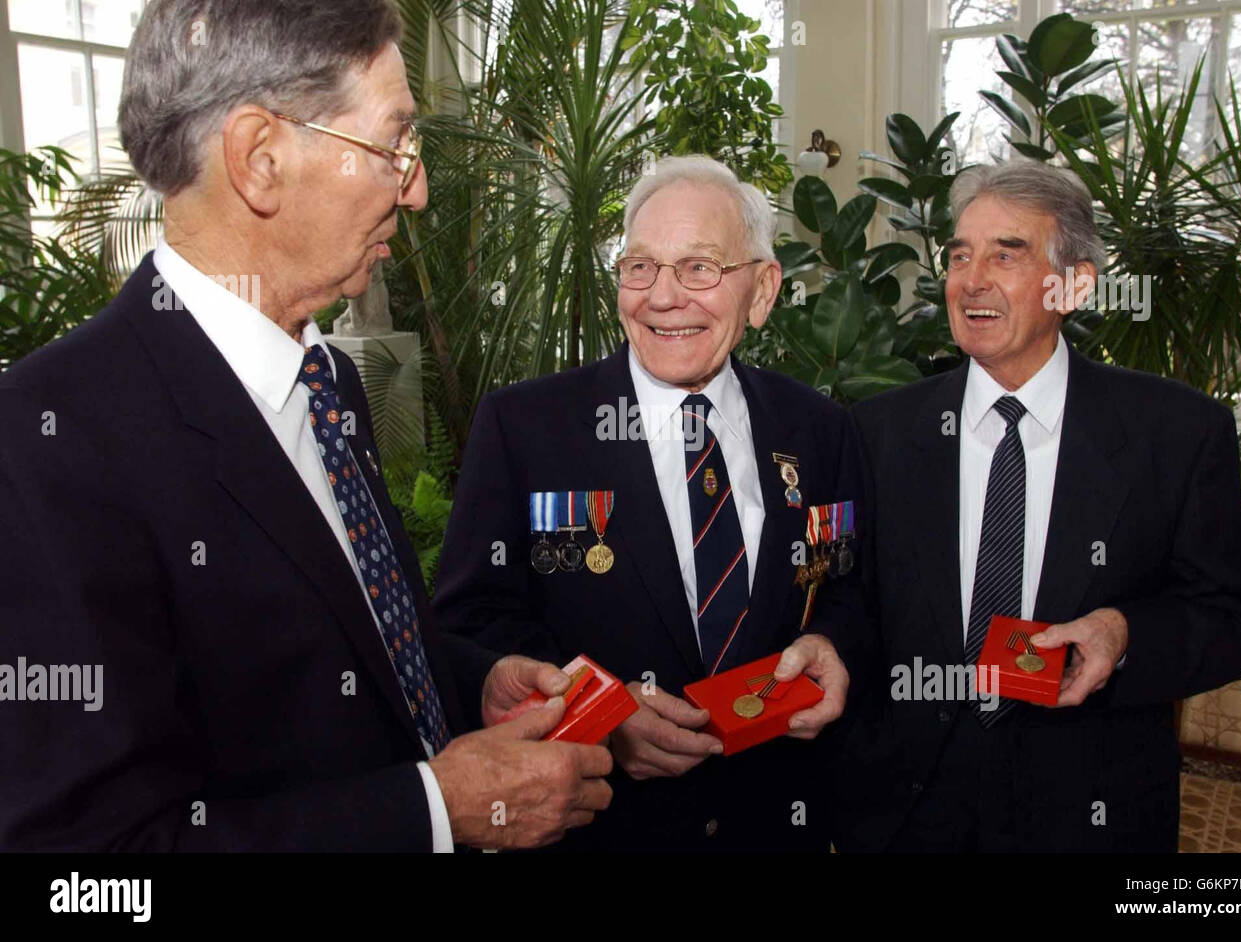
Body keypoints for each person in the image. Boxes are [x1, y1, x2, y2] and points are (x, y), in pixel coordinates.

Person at [0, 0, 612, 852]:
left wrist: (473, 683)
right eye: (394, 144)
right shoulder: (48, 444)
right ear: (261, 161)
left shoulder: (325, 386)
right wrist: (435, 811)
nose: (420, 186)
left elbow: (351, 649)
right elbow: (92, 872)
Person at [433, 155, 864, 851]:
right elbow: (469, 626)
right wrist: (595, 709)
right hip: (604, 830)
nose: (662, 297)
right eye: (641, 267)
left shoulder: (816, 429)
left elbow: (847, 590)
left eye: (699, 267)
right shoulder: (527, 428)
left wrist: (830, 648)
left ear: (761, 290)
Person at [834, 159, 1241, 852]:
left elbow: (1228, 624)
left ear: (1075, 283)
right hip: (907, 810)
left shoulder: (1176, 433)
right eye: (961, 255)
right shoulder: (879, 430)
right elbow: (847, 600)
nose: (972, 280)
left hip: (1089, 808)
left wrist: (1122, 637)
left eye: (1008, 254)